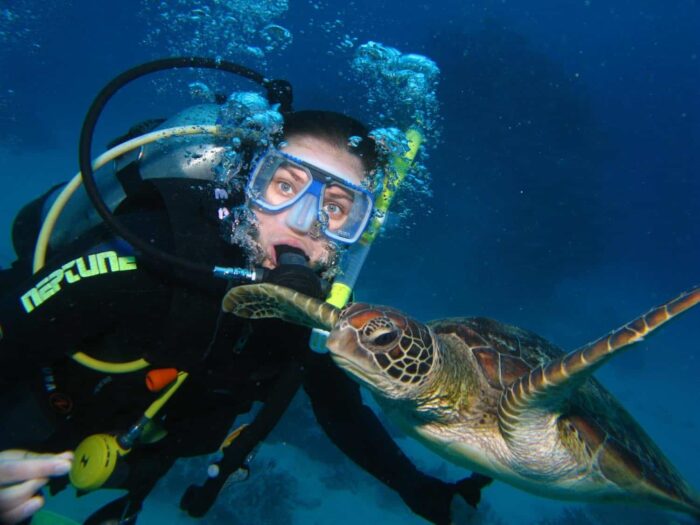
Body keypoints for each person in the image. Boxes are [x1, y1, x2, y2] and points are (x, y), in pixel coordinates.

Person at [0, 94, 491, 525]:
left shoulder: (302, 318)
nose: (302, 223)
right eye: (284, 186)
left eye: (336, 209)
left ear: (354, 235)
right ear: (246, 182)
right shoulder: (148, 256)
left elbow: (341, 412)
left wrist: (418, 489)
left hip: (110, 463)